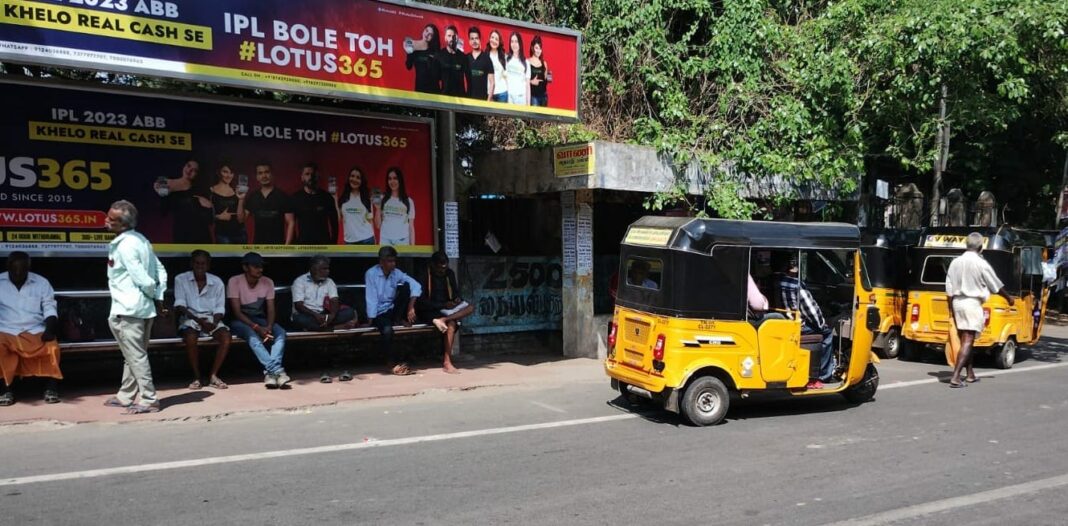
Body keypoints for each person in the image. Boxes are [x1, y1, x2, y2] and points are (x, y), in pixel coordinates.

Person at [103, 200, 167, 414]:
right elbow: (160, 270)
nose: (106, 221)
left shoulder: (126, 246)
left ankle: (149, 399)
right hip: (141, 309)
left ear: (122, 224)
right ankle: (125, 396)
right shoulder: (141, 240)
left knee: (136, 356)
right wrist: (155, 297)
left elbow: (146, 280)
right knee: (133, 355)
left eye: (111, 219)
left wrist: (150, 293)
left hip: (129, 309)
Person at [945, 232, 1014, 388]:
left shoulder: (955, 262)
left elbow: (948, 289)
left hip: (957, 302)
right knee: (968, 340)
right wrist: (1009, 298)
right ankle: (956, 377)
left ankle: (970, 374)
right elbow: (995, 284)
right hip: (972, 303)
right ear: (981, 247)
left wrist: (951, 309)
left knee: (966, 339)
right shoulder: (980, 263)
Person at [0, 252, 61, 406]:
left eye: (23, 270)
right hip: (6, 328)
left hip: (34, 328)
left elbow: (49, 307)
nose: (19, 274)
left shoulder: (41, 283)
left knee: (51, 346)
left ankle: (50, 387)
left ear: (29, 268)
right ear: (8, 268)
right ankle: (6, 389)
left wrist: (50, 329)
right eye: (15, 271)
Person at [228, 252, 290, 389]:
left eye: (261, 266)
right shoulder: (235, 281)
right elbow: (237, 312)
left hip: (260, 319)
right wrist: (257, 328)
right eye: (256, 266)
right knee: (252, 335)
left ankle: (271, 374)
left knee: (280, 332)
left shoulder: (267, 282)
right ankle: (277, 371)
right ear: (245, 267)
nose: (260, 270)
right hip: (241, 321)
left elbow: (271, 310)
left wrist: (268, 326)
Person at [173, 250, 231, 390]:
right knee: (191, 337)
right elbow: (180, 305)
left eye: (203, 263)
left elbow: (219, 308)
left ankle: (213, 375)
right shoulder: (181, 279)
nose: (200, 266)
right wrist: (198, 320)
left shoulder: (216, 282)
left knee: (226, 337)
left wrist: (214, 323)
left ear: (208, 265)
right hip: (190, 317)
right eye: (197, 263)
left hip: (212, 319)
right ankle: (196, 377)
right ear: (191, 264)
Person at [777, 256, 836, 389]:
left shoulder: (776, 281)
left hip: (782, 322)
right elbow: (812, 311)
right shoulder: (796, 285)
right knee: (827, 333)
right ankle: (824, 375)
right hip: (797, 326)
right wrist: (822, 324)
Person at [365, 246, 422, 376]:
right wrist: (371, 319)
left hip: (392, 309)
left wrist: (411, 306)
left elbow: (415, 285)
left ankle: (398, 319)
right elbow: (371, 298)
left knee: (406, 288)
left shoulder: (396, 273)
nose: (393, 264)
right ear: (381, 262)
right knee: (387, 331)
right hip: (379, 312)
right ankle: (390, 362)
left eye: (394, 261)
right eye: (389, 261)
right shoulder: (371, 274)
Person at [417, 251, 474, 373]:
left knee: (470, 307)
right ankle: (447, 362)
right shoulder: (424, 275)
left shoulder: (449, 274)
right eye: (439, 269)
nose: (442, 271)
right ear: (432, 265)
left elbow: (456, 292)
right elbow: (421, 302)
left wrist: (456, 300)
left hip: (446, 310)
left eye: (444, 268)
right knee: (452, 324)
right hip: (429, 310)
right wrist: (443, 304)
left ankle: (444, 320)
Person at [291, 255, 356, 331]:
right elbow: (299, 306)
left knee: (349, 312)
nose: (328, 271)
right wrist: (316, 315)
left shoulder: (330, 282)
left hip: (325, 315)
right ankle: (334, 328)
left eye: (328, 268)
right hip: (308, 315)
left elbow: (334, 300)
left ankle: (317, 328)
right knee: (299, 319)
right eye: (324, 269)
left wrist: (332, 316)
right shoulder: (299, 281)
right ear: (313, 269)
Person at [155, 158, 212, 244]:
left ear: (197, 174)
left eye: (194, 170)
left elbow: (209, 218)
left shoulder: (199, 190)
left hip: (200, 235)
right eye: (188, 166)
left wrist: (208, 206)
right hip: (181, 234)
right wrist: (161, 195)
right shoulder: (166, 183)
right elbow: (163, 212)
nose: (189, 171)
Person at [244, 162, 295, 245]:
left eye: (267, 172)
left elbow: (291, 222)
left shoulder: (282, 196)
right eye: (260, 173)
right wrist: (241, 199)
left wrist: (286, 247)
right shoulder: (253, 196)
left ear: (272, 174)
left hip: (277, 245)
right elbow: (241, 219)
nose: (264, 176)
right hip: (258, 245)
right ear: (257, 177)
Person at [291, 163, 339, 245]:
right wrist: (295, 243)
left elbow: (334, 222)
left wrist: (333, 243)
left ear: (318, 176)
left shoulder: (327, 197)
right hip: (303, 246)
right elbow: (291, 223)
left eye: (313, 174)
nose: (310, 177)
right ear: (302, 177)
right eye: (307, 174)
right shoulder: (295, 198)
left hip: (324, 246)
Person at [375, 167, 416, 246]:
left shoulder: (409, 201)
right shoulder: (381, 198)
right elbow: (378, 225)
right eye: (389, 179)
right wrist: (378, 209)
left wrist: (413, 247)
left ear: (400, 180)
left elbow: (411, 227)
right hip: (385, 241)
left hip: (403, 241)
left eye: (395, 178)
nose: (392, 181)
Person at [209, 162, 247, 244]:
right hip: (222, 234)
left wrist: (241, 199)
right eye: (225, 172)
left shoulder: (236, 191)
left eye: (231, 173)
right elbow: (206, 217)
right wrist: (218, 217)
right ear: (218, 172)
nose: (228, 175)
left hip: (240, 233)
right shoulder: (211, 191)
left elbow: (241, 220)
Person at [338, 166, 378, 245]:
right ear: (349, 178)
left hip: (367, 239)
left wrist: (375, 239)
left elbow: (370, 220)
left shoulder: (366, 198)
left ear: (361, 181)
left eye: (358, 177)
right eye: (352, 176)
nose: (354, 179)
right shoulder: (343, 198)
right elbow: (339, 218)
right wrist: (334, 198)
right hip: (349, 241)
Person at [405, 23, 442, 93]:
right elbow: (408, 66)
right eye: (426, 30)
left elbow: (439, 77)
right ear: (423, 30)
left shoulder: (435, 52)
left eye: (430, 34)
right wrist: (409, 52)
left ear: (433, 37)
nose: (427, 34)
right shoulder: (413, 46)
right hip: (420, 90)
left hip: (434, 91)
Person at [438, 25, 469, 97]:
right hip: (444, 97)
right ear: (445, 38)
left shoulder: (463, 57)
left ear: (457, 38)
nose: (451, 38)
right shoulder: (439, 55)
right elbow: (434, 79)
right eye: (449, 36)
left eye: (454, 36)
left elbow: (468, 79)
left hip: (460, 98)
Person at [465, 26, 494, 101]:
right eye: (472, 39)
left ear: (480, 40)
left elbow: (492, 83)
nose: (474, 41)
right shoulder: (465, 58)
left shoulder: (487, 58)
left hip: (483, 101)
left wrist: (488, 101)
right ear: (469, 41)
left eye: (476, 38)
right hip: (468, 100)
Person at [504, 32, 531, 105]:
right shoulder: (506, 59)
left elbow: (528, 85)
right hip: (509, 97)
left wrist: (528, 104)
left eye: (516, 41)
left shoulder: (526, 62)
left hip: (521, 97)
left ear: (520, 44)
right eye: (512, 41)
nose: (514, 44)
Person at [487, 29, 509, 103]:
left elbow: (507, 76)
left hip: (502, 93)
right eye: (492, 37)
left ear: (499, 42)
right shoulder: (485, 55)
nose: (494, 40)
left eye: (496, 39)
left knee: (501, 115)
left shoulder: (503, 57)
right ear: (489, 38)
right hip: (489, 92)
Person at [528, 35, 550, 107]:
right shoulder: (527, 62)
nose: (538, 51)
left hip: (544, 96)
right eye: (536, 48)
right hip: (533, 96)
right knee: (534, 117)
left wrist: (548, 78)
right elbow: (522, 80)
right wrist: (531, 82)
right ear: (532, 48)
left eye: (540, 48)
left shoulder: (544, 63)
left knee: (543, 118)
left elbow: (546, 79)